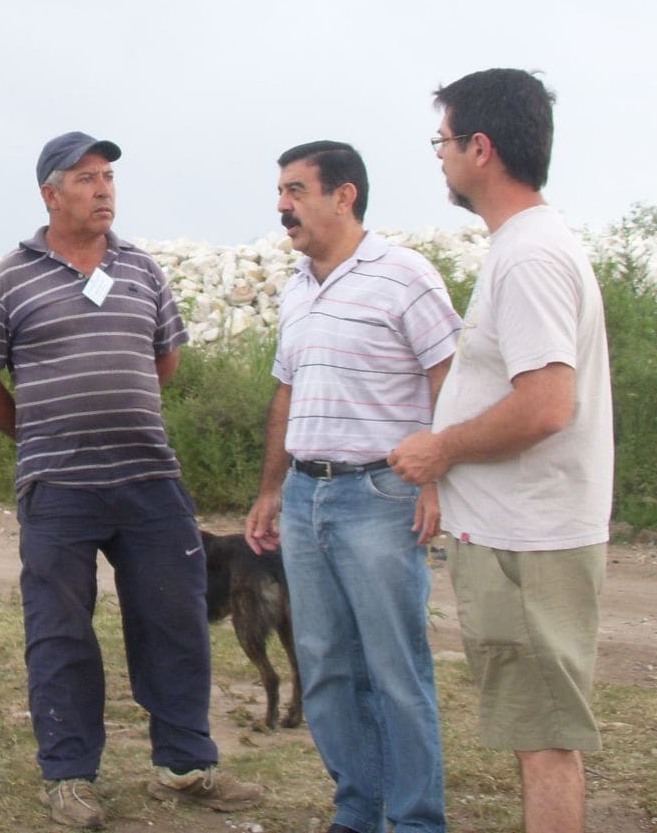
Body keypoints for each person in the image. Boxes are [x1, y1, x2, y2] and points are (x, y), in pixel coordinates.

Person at [0, 131, 262, 830]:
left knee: (175, 619)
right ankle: (69, 778)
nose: (104, 190)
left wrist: (119, 413)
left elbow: (166, 359)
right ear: (50, 194)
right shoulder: (10, 278)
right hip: (57, 487)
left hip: (149, 480)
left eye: (110, 177)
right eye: (87, 178)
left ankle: (185, 766)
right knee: (60, 630)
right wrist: (36, 435)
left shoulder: (141, 270)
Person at [387, 69, 614, 833]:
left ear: (480, 148)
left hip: (530, 542)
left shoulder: (530, 257)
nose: (440, 157)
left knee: (543, 740)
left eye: (443, 140)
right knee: (533, 732)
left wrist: (440, 449)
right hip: (519, 538)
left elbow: (548, 405)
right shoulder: (525, 247)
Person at [243, 140, 461, 833]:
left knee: (395, 668)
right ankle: (358, 809)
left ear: (345, 195)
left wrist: (437, 480)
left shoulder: (405, 275)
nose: (283, 206)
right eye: (280, 192)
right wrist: (272, 491)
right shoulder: (296, 288)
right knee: (326, 664)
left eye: (296, 190)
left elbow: (449, 376)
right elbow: (286, 392)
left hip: (380, 497)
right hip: (306, 500)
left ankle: (417, 819)